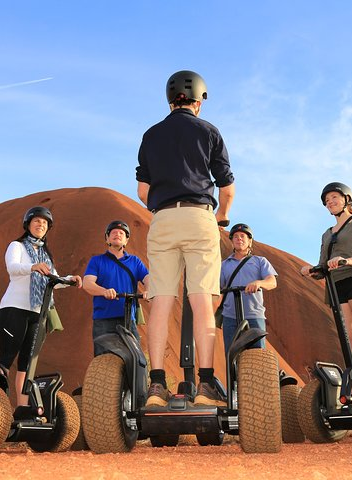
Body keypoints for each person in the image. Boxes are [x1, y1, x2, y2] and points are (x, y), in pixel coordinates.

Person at [136, 70, 235, 407]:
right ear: (198, 101)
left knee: (160, 301)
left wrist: (164, 210)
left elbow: (142, 190)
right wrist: (221, 216)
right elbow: (227, 187)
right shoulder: (208, 131)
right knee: (202, 300)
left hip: (163, 219)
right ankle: (206, 386)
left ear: (170, 99)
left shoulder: (151, 135)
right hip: (199, 217)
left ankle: (156, 385)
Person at [299, 182, 352, 404]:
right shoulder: (327, 234)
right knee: (350, 341)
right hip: (336, 287)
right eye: (327, 201)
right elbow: (323, 265)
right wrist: (312, 270)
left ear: (347, 199)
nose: (330, 203)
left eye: (334, 198)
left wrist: (349, 260)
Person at [0, 206, 82, 407]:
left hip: (37, 312)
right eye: (37, 221)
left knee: (27, 363)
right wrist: (32, 267)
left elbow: (53, 280)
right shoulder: (16, 246)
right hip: (14, 308)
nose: (40, 225)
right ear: (28, 224)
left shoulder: (45, 256)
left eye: (44, 223)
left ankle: (22, 408)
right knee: (7, 358)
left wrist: (70, 279)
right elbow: (13, 268)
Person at [82, 220, 150, 356]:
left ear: (126, 240)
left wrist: (149, 290)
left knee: (135, 359)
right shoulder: (97, 261)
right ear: (107, 238)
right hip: (103, 319)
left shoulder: (135, 261)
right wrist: (104, 291)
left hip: (128, 319)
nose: (117, 234)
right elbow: (87, 283)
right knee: (103, 359)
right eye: (113, 232)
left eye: (121, 233)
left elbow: (148, 279)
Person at [215, 223, 277, 356]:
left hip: (254, 315)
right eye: (235, 237)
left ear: (249, 241)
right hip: (230, 317)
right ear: (231, 241)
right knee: (231, 357)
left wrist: (259, 283)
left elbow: (272, 282)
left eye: (243, 236)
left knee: (258, 356)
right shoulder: (224, 265)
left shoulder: (260, 261)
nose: (239, 239)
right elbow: (216, 287)